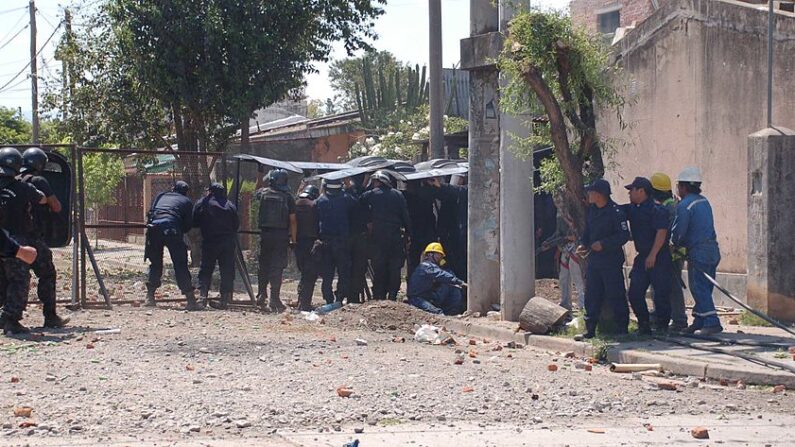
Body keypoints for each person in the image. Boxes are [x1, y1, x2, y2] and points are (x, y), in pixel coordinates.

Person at [15, 148, 70, 327]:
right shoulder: (38, 180)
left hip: (11, 238)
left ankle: (8, 317)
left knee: (13, 277)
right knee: (47, 274)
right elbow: (56, 207)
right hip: (32, 238)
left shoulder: (13, 181)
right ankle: (50, 316)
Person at [0, 147, 49, 334]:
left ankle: (4, 316)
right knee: (19, 279)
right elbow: (43, 199)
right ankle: (11, 320)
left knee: (3, 279)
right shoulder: (22, 187)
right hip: (15, 241)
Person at [671, 167, 723, 336]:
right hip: (712, 250)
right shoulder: (704, 201)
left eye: (679, 186)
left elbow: (679, 231)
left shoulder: (685, 205)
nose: (678, 189)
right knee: (705, 288)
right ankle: (699, 320)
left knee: (699, 288)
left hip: (698, 251)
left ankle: (712, 322)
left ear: (684, 187)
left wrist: (675, 243)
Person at [576, 179, 630, 339]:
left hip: (611, 261)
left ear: (600, 194)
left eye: (591, 191)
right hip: (594, 261)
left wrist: (604, 244)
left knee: (616, 294)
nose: (589, 194)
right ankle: (590, 329)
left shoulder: (616, 212)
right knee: (592, 294)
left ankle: (622, 328)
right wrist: (583, 244)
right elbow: (588, 231)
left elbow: (624, 235)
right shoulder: (592, 210)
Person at [623, 177, 673, 335]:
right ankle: (643, 324)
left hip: (659, 256)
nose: (629, 193)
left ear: (641, 191)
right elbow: (615, 211)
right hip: (643, 256)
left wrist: (653, 255)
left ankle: (662, 327)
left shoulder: (657, 210)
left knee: (660, 294)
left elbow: (661, 232)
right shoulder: (633, 209)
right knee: (634, 293)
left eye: (632, 190)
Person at [144, 181, 197, 309]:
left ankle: (150, 296)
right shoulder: (186, 201)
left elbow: (150, 213)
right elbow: (189, 224)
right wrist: (179, 229)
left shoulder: (161, 196)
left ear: (173, 188)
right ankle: (190, 299)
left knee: (155, 263)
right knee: (180, 264)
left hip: (154, 228)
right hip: (172, 229)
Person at [360, 170, 411, 301]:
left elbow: (359, 203)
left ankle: (379, 296)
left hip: (377, 238)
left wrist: (368, 222)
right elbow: (406, 217)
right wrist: (409, 234)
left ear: (377, 181)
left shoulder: (370, 195)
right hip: (395, 237)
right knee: (395, 269)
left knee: (379, 269)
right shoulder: (398, 195)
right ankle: (392, 296)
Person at [650, 172, 689, 332]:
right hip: (669, 252)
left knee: (672, 285)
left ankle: (679, 319)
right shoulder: (671, 204)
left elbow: (667, 232)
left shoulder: (668, 208)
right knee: (660, 285)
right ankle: (659, 314)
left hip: (672, 254)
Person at [255, 169, 297, 313]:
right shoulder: (288, 197)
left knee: (263, 265)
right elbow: (292, 221)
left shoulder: (263, 193)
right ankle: (274, 299)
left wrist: (260, 174)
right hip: (281, 236)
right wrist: (293, 239)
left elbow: (257, 190)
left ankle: (261, 295)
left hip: (265, 235)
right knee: (277, 267)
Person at [193, 183, 239, 310]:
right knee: (227, 270)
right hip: (227, 242)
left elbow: (195, 220)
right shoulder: (230, 205)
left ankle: (202, 298)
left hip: (210, 241)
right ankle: (224, 300)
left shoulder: (204, 202)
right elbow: (236, 225)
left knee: (206, 269)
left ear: (210, 192)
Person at [316, 178, 356, 304]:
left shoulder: (320, 200)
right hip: (342, 242)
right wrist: (349, 187)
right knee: (343, 273)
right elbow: (357, 203)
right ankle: (339, 298)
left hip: (325, 241)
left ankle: (328, 300)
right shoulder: (346, 199)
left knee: (327, 274)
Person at [542, 195, 584, 311]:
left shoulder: (574, 212)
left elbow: (578, 231)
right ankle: (565, 303)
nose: (558, 201)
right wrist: (549, 242)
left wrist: (572, 238)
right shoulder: (560, 214)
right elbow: (559, 233)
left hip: (575, 248)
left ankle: (582, 306)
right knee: (563, 278)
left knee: (578, 279)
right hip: (565, 249)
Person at [407, 242, 467, 315]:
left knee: (453, 288)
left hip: (428, 296)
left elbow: (444, 275)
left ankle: (451, 312)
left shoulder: (432, 266)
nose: (440, 258)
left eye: (441, 255)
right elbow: (441, 275)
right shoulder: (426, 266)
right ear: (430, 254)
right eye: (438, 255)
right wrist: (459, 282)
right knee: (438, 313)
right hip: (417, 299)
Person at [403, 179, 438, 279]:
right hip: (427, 232)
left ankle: (413, 284)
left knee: (413, 262)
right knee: (431, 261)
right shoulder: (427, 193)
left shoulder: (407, 197)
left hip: (416, 233)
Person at [294, 185, 320, 311]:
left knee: (303, 272)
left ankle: (301, 300)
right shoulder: (314, 206)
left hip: (298, 243)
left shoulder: (296, 204)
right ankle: (304, 303)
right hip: (312, 243)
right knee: (310, 274)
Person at [345, 174, 370, 303]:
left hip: (347, 237)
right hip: (361, 238)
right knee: (359, 269)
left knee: (348, 268)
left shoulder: (346, 198)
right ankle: (354, 297)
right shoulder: (364, 198)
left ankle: (347, 296)